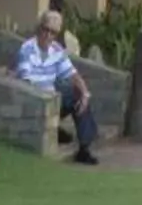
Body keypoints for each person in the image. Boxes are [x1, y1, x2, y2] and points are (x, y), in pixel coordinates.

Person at [15, 11, 100, 166]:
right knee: (59, 95)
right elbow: (25, 82)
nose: (48, 35)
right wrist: (46, 94)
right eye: (45, 30)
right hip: (34, 101)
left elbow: (73, 74)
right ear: (39, 28)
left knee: (77, 94)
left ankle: (84, 148)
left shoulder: (56, 50)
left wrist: (85, 94)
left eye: (53, 32)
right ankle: (55, 130)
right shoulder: (26, 49)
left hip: (53, 100)